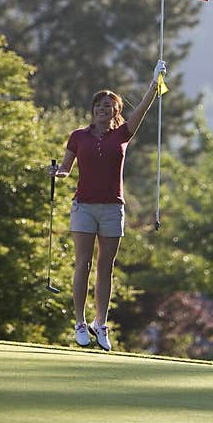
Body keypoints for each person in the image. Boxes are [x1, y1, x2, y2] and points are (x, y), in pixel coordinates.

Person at [49, 59, 167, 351]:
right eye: (99, 106)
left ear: (116, 112)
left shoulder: (122, 135)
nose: (104, 110)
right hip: (84, 207)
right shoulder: (78, 136)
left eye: (109, 107)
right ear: (93, 111)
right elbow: (66, 167)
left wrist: (155, 83)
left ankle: (100, 324)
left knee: (106, 267)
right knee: (83, 264)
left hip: (113, 208)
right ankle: (79, 322)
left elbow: (142, 109)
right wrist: (58, 173)